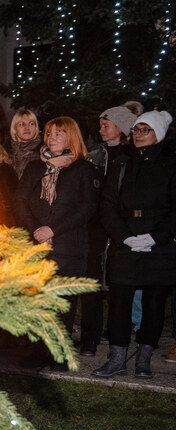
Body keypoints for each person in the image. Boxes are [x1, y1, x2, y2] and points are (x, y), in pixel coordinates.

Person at [95, 110, 175, 379]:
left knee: (154, 303)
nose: (139, 135)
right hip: (126, 240)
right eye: (136, 130)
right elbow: (107, 205)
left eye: (145, 130)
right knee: (119, 302)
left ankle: (144, 359)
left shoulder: (170, 164)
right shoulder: (122, 163)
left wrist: (155, 237)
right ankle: (117, 358)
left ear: (158, 134)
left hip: (158, 245)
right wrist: (124, 237)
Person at [15, 117, 100, 370]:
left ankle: (60, 353)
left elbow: (86, 208)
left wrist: (53, 229)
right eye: (49, 133)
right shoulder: (35, 167)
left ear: (71, 137)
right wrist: (36, 230)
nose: (52, 138)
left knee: (62, 302)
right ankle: (36, 351)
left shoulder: (83, 169)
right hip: (37, 244)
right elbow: (20, 200)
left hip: (68, 245)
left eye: (59, 134)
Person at [80, 104, 138, 356]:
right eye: (100, 126)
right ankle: (89, 337)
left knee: (118, 284)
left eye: (106, 126)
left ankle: (117, 333)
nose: (101, 130)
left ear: (121, 128)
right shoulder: (95, 155)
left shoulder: (133, 157)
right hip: (95, 226)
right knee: (92, 282)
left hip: (122, 227)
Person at [10, 108, 42, 179]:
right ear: (15, 129)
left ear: (36, 128)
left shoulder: (43, 152)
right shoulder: (6, 153)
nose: (27, 128)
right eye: (22, 124)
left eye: (31, 124)